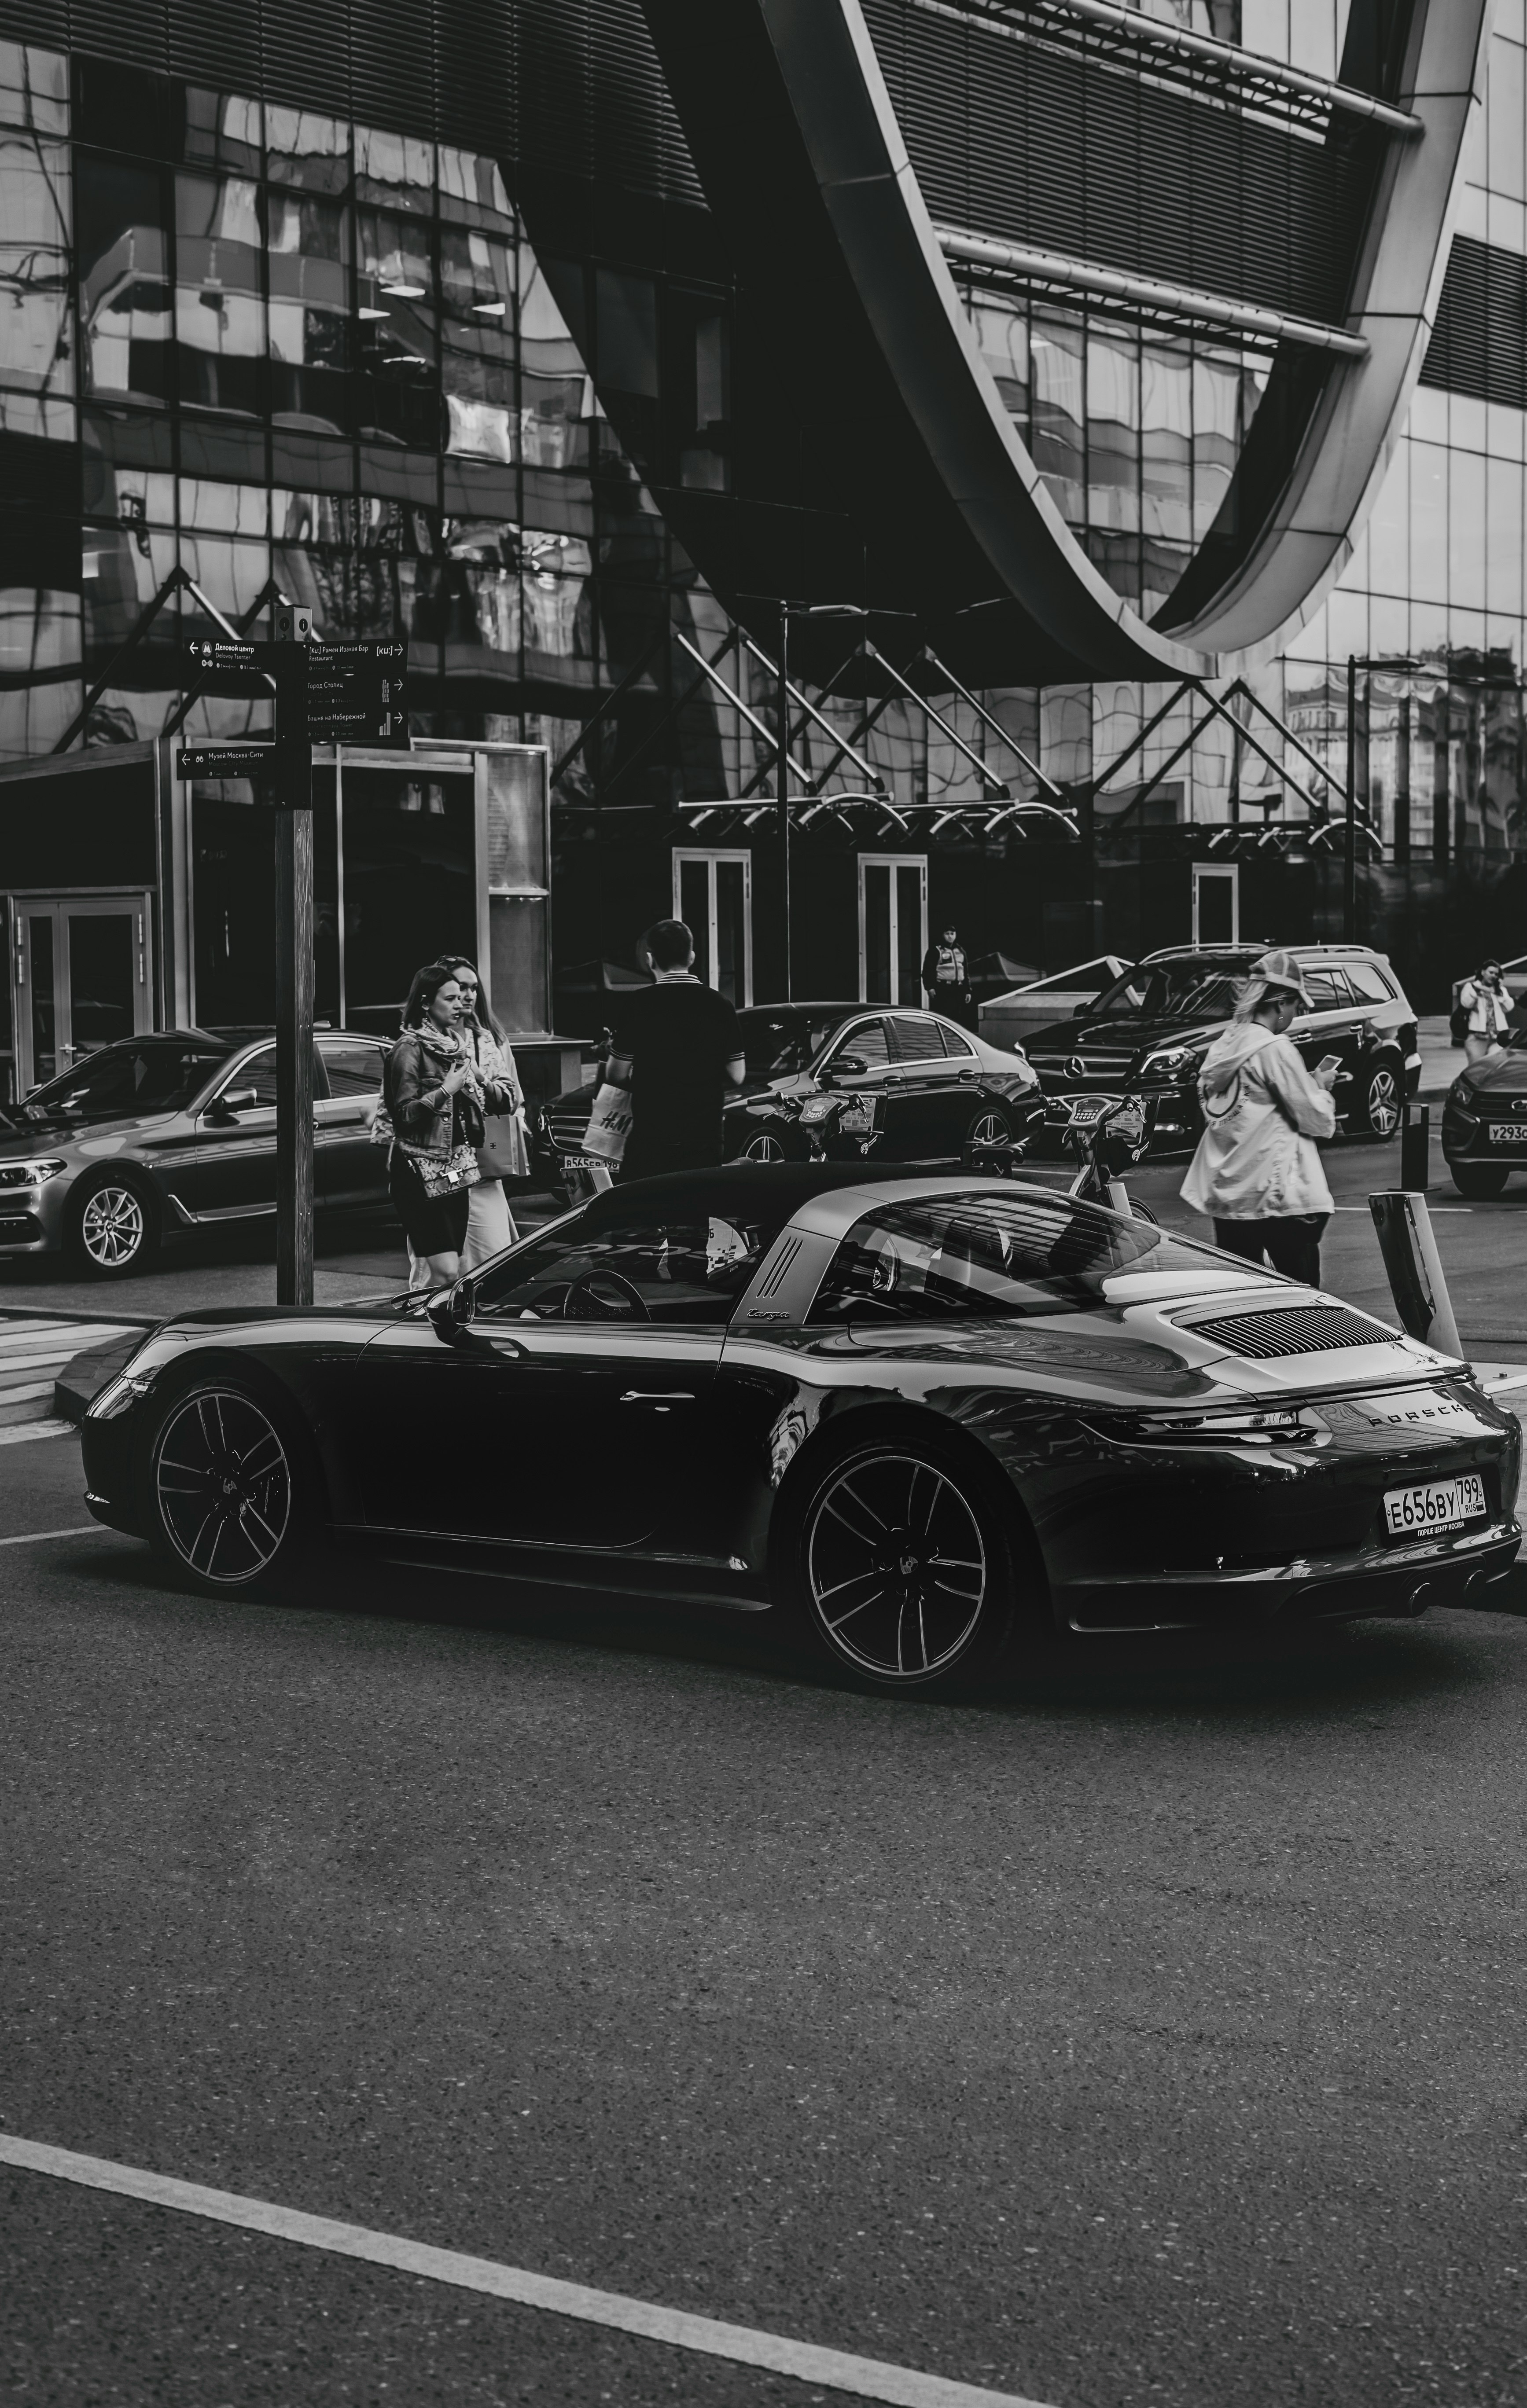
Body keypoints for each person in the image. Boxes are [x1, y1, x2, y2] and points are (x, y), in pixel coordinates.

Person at [1180, 948, 1338, 1288]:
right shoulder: (1274, 1048)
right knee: (1303, 1301)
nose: (1297, 1013)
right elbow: (1316, 1120)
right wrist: (1321, 1088)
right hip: (1277, 1196)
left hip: (1231, 1197)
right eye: (1298, 1006)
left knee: (1244, 1298)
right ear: (1281, 1003)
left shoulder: (1222, 1048)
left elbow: (1245, 1109)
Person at [384, 962, 508, 1290]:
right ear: (425, 1003)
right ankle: (425, 1332)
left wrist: (477, 1080)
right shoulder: (407, 1050)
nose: (459, 1004)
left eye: (461, 997)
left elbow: (500, 1104)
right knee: (444, 1271)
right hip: (418, 1169)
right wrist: (446, 1091)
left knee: (453, 1270)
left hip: (456, 1169)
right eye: (449, 998)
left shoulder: (457, 1047)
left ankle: (436, 1329)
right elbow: (404, 1116)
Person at [603, 919, 746, 1181]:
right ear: (691, 957)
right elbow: (737, 1075)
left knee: (646, 1211)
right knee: (694, 1213)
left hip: (652, 1135)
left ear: (650, 960)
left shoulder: (638, 1005)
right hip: (705, 1135)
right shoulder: (720, 1005)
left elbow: (615, 1075)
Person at [440, 954, 526, 1269]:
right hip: (438, 1169)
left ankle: (484, 1314)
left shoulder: (486, 1040)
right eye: (460, 987)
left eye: (473, 988)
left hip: (482, 1164)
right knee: (441, 1267)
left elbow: (512, 1098)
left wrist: (478, 1076)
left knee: (492, 1254)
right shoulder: (419, 1043)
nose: (468, 995)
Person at [1457, 959, 1511, 1066]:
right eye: (1491, 972)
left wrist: (1500, 993)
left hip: (1497, 1037)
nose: (1493, 976)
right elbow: (1466, 1004)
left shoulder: (1500, 990)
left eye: (1496, 974)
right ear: (1483, 972)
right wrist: (1476, 991)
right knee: (1476, 1068)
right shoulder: (1471, 987)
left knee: (1495, 1066)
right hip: (1477, 1036)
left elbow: (1509, 1007)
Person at [922, 925, 970, 1021]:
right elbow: (927, 970)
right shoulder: (936, 950)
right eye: (947, 934)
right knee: (942, 1016)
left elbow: (965, 972)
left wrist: (968, 990)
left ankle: (953, 1036)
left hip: (958, 988)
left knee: (957, 1017)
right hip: (942, 988)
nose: (950, 936)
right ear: (942, 935)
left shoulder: (961, 951)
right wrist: (930, 987)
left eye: (952, 934)